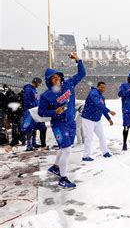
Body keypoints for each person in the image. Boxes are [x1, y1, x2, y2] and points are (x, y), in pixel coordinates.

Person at [38, 52, 86, 188]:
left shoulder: (68, 84)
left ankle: (55, 167)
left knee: (65, 147)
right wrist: (54, 111)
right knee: (66, 150)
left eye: (57, 76)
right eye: (53, 78)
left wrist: (78, 60)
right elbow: (41, 112)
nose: (57, 79)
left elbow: (82, 73)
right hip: (59, 124)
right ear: (49, 80)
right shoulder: (46, 96)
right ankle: (63, 178)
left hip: (70, 122)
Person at [81, 81, 115, 161]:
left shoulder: (102, 97)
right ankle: (86, 156)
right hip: (88, 119)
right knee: (88, 137)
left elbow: (102, 108)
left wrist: (109, 119)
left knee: (102, 136)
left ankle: (105, 152)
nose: (103, 89)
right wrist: (109, 111)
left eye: (104, 88)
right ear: (98, 87)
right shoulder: (93, 93)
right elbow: (98, 104)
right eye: (101, 87)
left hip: (97, 120)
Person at [22, 77, 47, 151]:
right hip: (30, 111)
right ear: (35, 82)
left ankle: (33, 142)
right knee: (29, 128)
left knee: (35, 127)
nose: (39, 85)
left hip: (35, 111)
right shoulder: (28, 89)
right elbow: (27, 101)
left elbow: (36, 100)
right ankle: (28, 144)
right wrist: (33, 107)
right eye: (39, 83)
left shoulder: (34, 90)